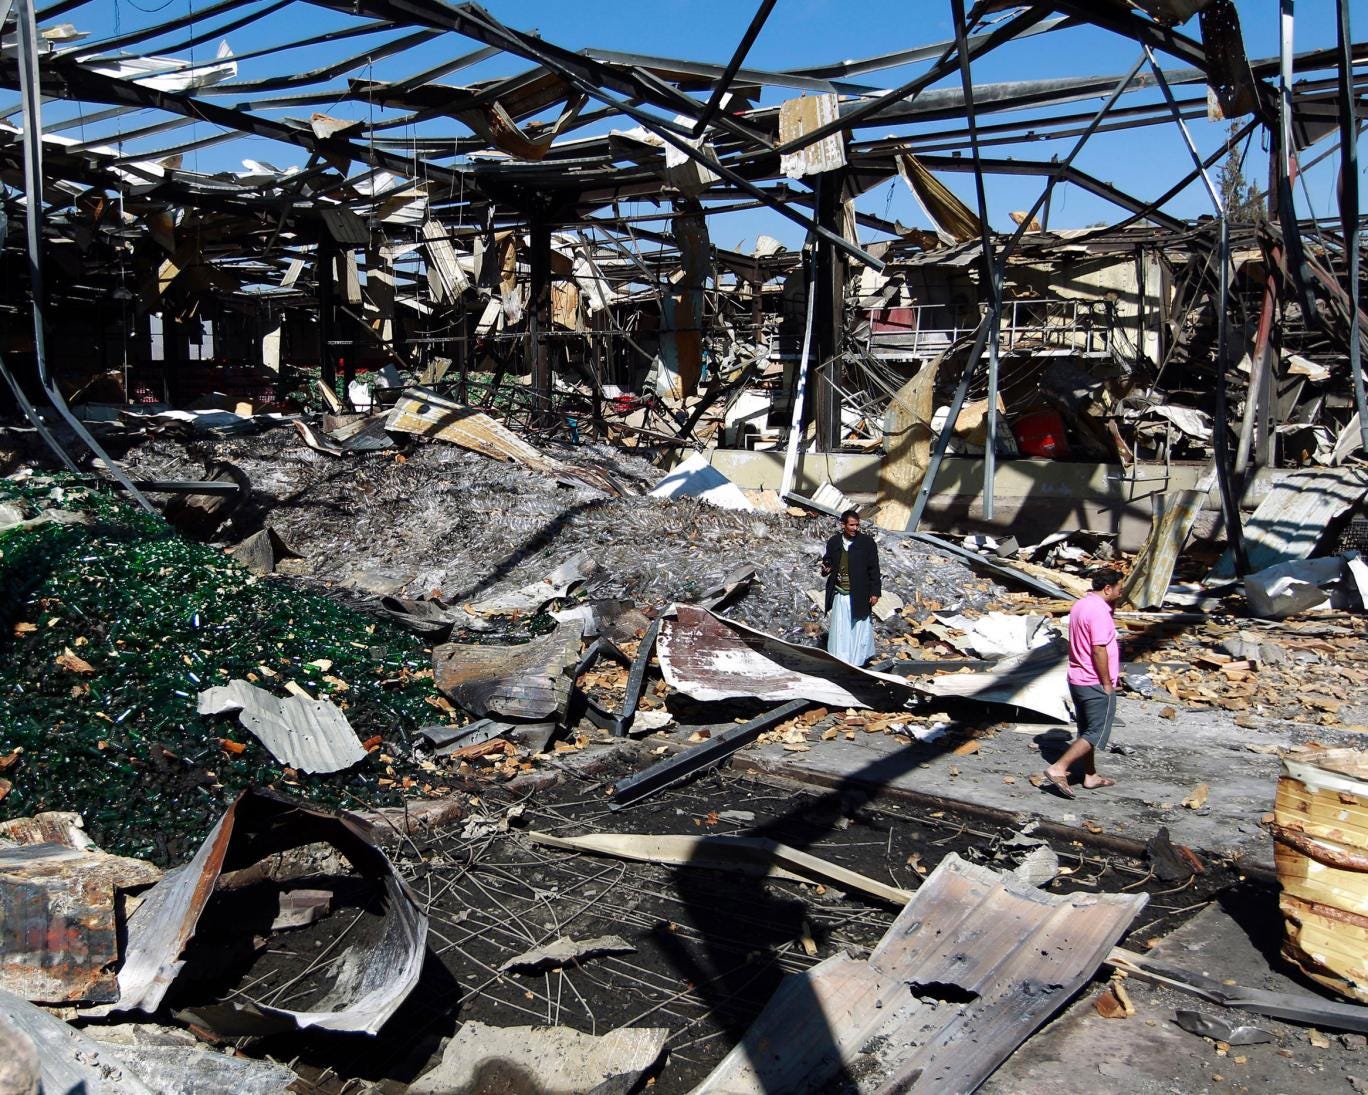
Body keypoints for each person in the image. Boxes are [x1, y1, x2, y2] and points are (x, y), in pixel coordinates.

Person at [1044, 567, 1125, 799]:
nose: (1121, 593)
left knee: (1086, 730)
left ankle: (1090, 775)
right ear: (1108, 588)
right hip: (1094, 680)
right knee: (1097, 733)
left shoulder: (1081, 605)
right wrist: (1107, 683)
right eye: (1119, 589)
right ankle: (1059, 768)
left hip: (1077, 677)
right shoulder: (1099, 612)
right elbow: (1099, 649)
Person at [820, 509, 881, 667]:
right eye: (851, 525)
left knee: (858, 626)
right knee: (841, 628)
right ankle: (840, 659)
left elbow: (874, 568)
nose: (855, 528)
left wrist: (875, 592)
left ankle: (858, 661)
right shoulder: (834, 542)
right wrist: (826, 568)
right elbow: (828, 561)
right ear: (843, 525)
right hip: (841, 593)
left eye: (857, 525)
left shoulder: (867, 543)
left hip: (860, 593)